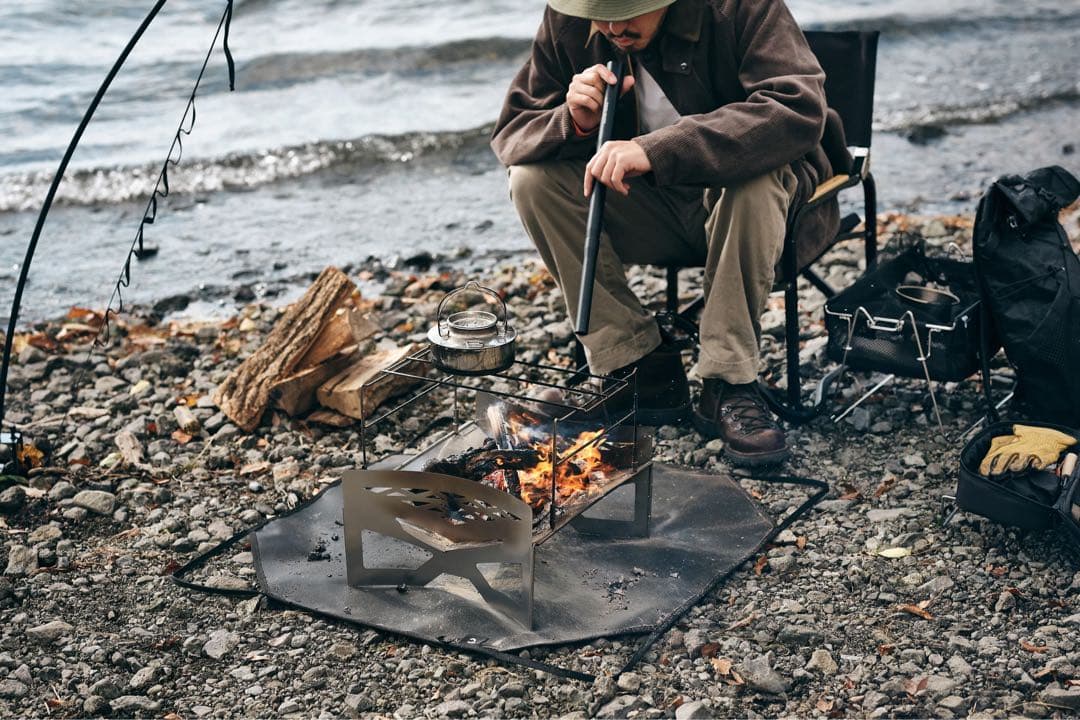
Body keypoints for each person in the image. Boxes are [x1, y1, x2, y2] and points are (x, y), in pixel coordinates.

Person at [491, 0, 846, 466]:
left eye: (629, 10)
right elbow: (512, 132)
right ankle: (636, 364)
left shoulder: (742, 7)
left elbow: (795, 108)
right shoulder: (570, 22)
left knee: (753, 182)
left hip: (762, 218)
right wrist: (573, 121)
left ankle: (727, 383)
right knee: (531, 180)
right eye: (601, 12)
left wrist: (657, 149)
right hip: (652, 214)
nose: (614, 26)